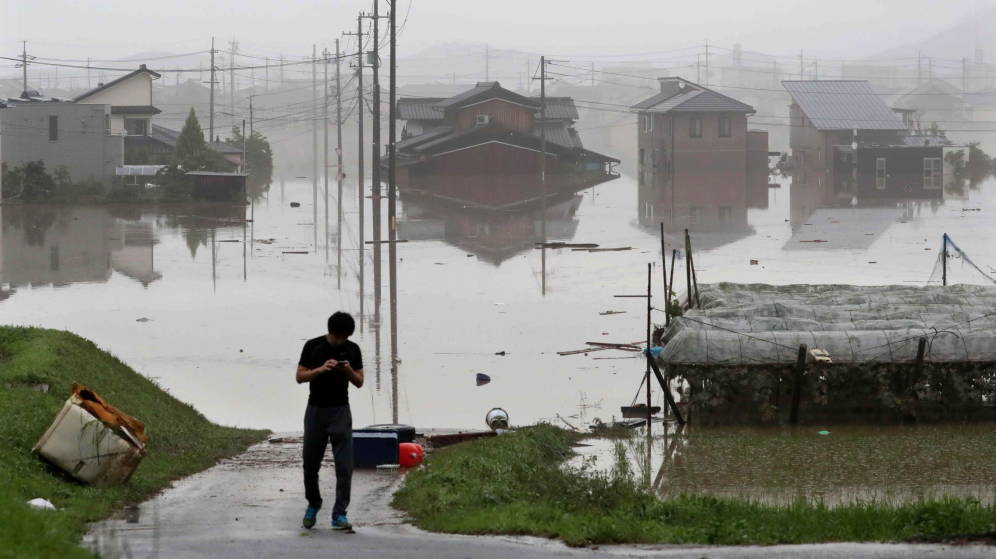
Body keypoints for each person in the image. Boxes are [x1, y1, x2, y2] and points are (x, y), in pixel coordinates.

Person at [296, 311, 364, 530]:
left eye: (344, 338)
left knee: (345, 466)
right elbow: (299, 377)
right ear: (331, 332)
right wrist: (320, 369)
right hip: (316, 410)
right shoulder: (313, 346)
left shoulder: (352, 349)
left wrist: (347, 370)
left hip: (341, 411)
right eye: (337, 337)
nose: (340, 341)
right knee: (310, 463)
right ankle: (313, 504)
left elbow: (359, 381)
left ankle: (339, 514)